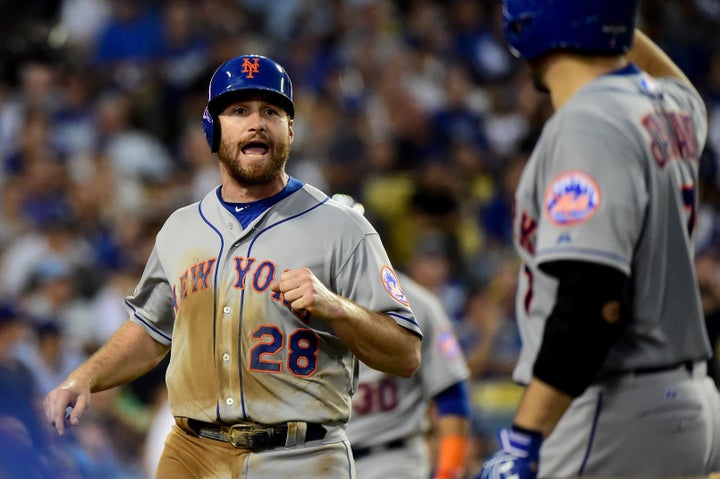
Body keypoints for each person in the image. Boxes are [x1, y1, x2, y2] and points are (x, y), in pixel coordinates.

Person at [44, 54, 422, 479]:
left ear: (290, 130)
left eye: (272, 112)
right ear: (213, 128)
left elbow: (406, 354)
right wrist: (84, 377)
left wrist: (336, 307)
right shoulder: (180, 229)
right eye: (239, 110)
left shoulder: (343, 228)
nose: (256, 122)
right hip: (191, 452)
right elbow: (150, 331)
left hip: (299, 456)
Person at [475, 1, 720, 478]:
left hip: (614, 411)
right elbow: (676, 83)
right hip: (695, 405)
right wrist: (614, 19)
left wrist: (524, 438)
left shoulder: (588, 122)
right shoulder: (671, 107)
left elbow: (592, 300)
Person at [332, 194, 472, 479]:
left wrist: (448, 472)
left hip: (392, 458)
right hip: (322, 459)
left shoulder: (418, 304)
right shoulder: (298, 299)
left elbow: (451, 396)